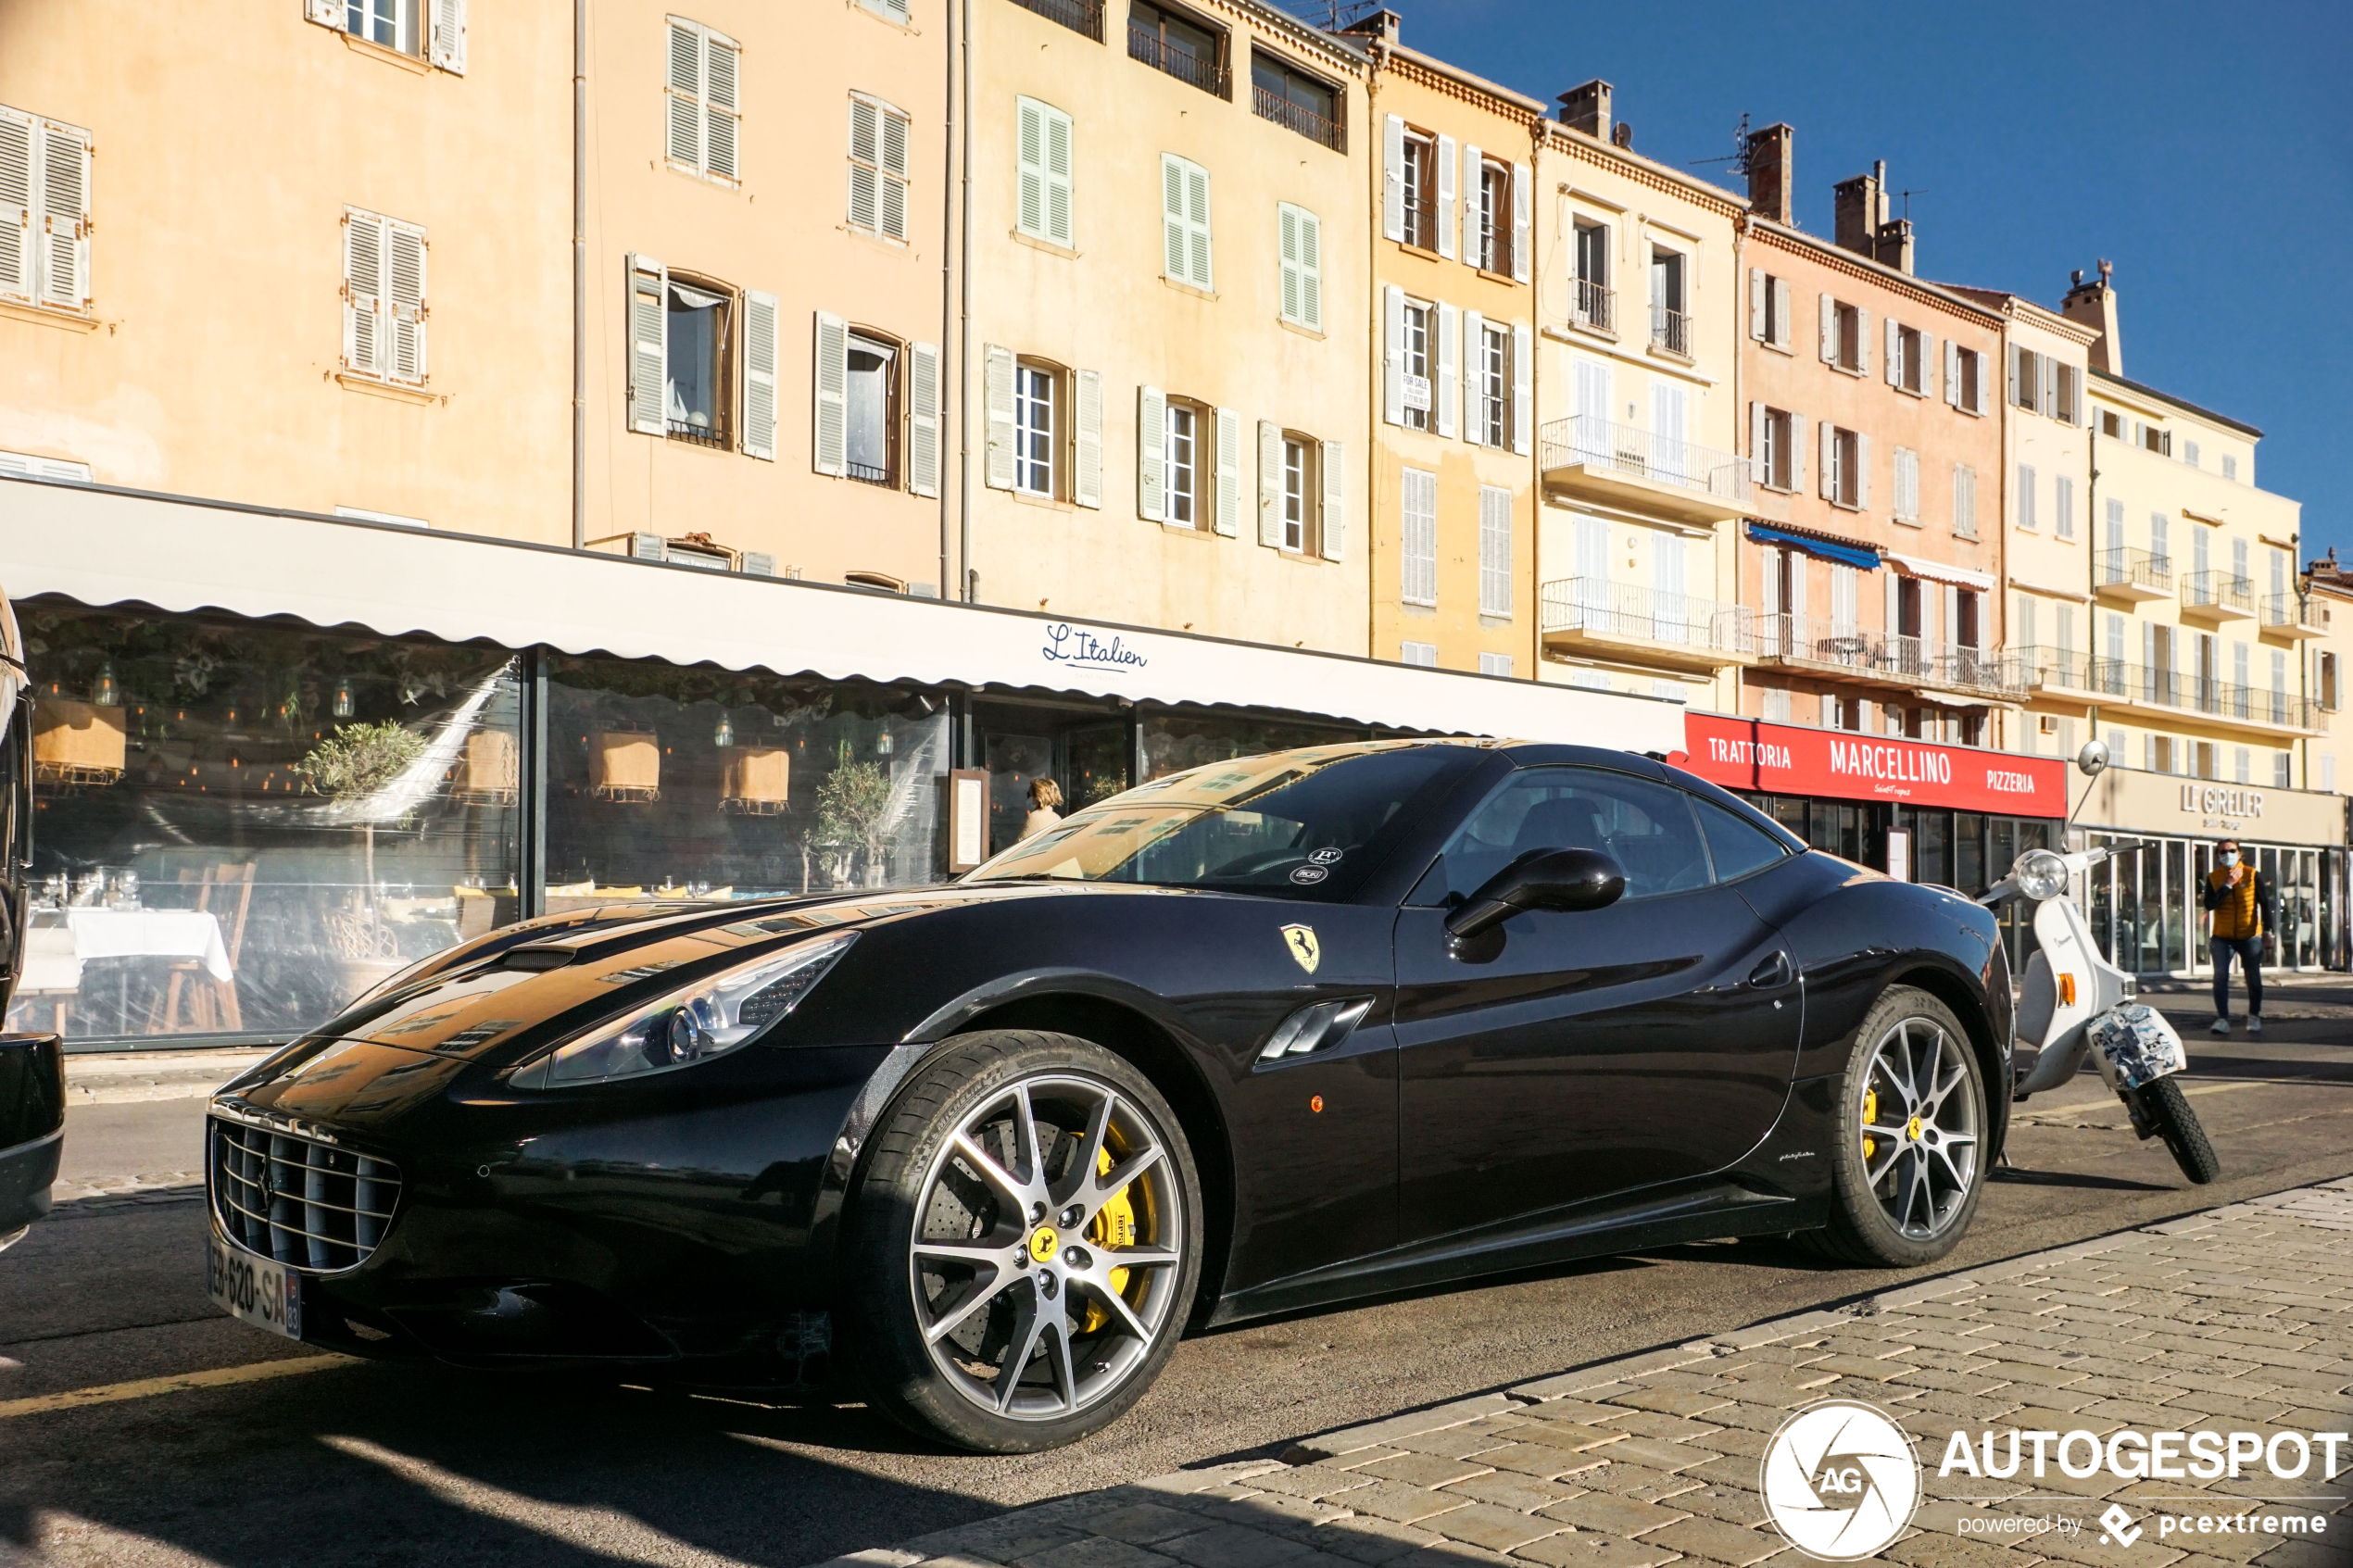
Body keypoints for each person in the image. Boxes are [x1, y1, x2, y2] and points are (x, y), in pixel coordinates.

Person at [2200, 837, 2276, 1036]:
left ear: (2240, 853)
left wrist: (2268, 932)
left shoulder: (2252, 875)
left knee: (2252, 977)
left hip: (2250, 935)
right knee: (2220, 976)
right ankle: (2223, 1019)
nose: (2228, 855)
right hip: (2222, 936)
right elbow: (2209, 904)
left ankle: (2254, 1016)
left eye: (2232, 851)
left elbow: (2265, 904)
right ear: (2217, 855)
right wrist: (2227, 885)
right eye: (2223, 852)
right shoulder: (2214, 878)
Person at [1019, 777, 1064, 841]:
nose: (1028, 799)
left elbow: (1021, 843)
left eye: (1029, 795)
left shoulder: (1035, 817)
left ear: (1038, 797)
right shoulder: (1056, 817)